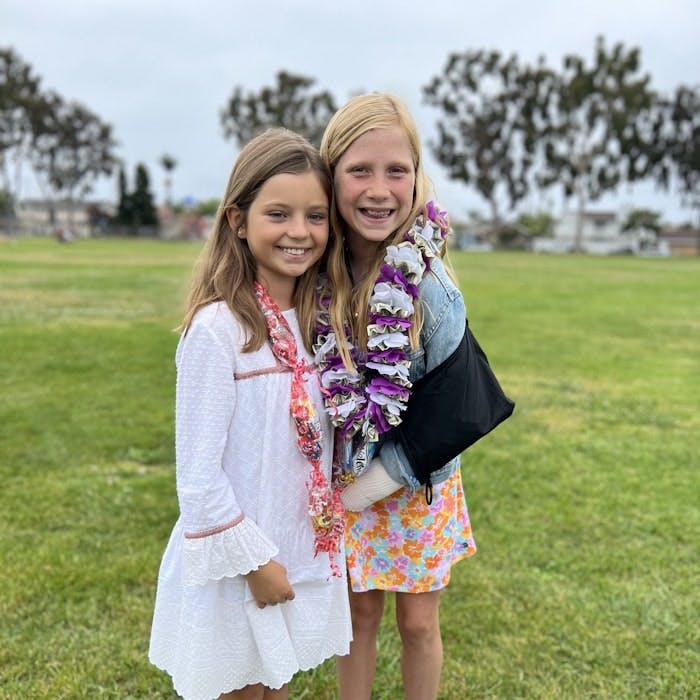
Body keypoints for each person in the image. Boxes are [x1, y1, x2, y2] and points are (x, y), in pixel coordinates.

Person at [149, 128, 352, 700]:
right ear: (238, 220)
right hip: (241, 562)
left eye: (316, 216)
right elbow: (197, 477)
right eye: (279, 213)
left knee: (274, 686)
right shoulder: (218, 331)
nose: (299, 231)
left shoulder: (321, 324)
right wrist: (254, 563)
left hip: (295, 547)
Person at [314, 94, 477, 700]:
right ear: (331, 178)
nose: (379, 189)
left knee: (417, 622)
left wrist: (380, 482)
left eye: (396, 171)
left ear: (416, 177)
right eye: (359, 170)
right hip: (345, 483)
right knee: (356, 619)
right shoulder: (319, 278)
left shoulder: (429, 286)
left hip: (416, 487)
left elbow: (455, 413)